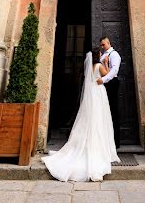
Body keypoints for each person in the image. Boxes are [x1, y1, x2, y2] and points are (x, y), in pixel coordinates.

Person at [42, 48, 120, 182]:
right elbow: (107, 75)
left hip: (92, 94)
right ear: (97, 56)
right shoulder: (100, 65)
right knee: (100, 118)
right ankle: (99, 147)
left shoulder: (89, 67)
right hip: (99, 93)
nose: (102, 55)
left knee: (92, 118)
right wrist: (107, 63)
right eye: (100, 54)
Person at [97, 36, 121, 148]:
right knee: (106, 111)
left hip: (111, 84)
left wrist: (103, 80)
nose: (102, 47)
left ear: (108, 43)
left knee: (113, 111)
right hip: (104, 85)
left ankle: (116, 142)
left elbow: (114, 71)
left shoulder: (114, 54)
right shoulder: (104, 55)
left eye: (104, 44)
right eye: (101, 45)